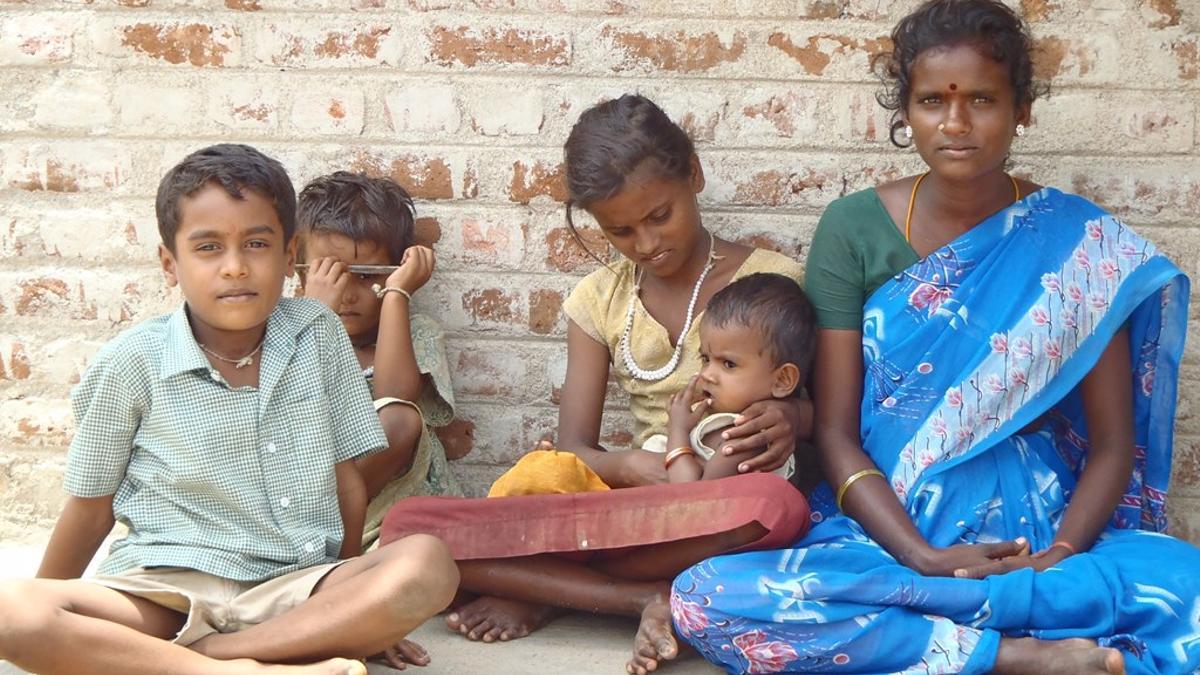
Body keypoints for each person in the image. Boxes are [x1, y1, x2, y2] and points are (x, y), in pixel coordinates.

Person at [671, 2, 1200, 673]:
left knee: (1190, 588)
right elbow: (835, 432)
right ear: (906, 111)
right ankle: (1011, 652)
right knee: (704, 597)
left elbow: (1112, 445)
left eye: (982, 99)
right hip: (887, 535)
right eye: (931, 102)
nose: (955, 123)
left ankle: (979, 613)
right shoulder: (853, 230)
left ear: (1021, 110)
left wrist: (1058, 556)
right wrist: (921, 555)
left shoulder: (1078, 247)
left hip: (1029, 537)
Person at [381, 94, 813, 675]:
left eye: (660, 216)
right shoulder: (598, 300)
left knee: (776, 505)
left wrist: (795, 419)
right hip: (632, 509)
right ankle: (640, 598)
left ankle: (551, 588)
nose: (646, 243)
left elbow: (827, 414)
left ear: (695, 174)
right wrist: (632, 465)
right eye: (621, 230)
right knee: (406, 528)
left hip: (723, 506)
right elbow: (576, 450)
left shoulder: (773, 282)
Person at [0, 144, 459, 675]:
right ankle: (242, 668)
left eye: (257, 244)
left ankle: (201, 659)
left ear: (289, 257)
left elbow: (347, 481)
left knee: (426, 563)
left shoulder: (319, 335)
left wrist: (352, 610)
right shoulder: (131, 362)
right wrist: (53, 609)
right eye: (208, 248)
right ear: (170, 264)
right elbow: (89, 508)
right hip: (166, 590)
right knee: (13, 611)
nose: (236, 267)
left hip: (295, 586)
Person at [297, 171, 462, 549]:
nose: (347, 295)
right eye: (330, 276)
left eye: (365, 276)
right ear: (297, 266)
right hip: (308, 501)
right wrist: (314, 315)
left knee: (398, 418)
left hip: (397, 510)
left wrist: (397, 294)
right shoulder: (283, 333)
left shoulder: (416, 332)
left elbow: (395, 394)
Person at [649, 273, 816, 482]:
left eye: (729, 364)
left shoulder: (749, 438)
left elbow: (690, 495)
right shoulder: (725, 425)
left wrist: (677, 430)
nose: (706, 374)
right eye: (705, 359)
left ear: (782, 380)